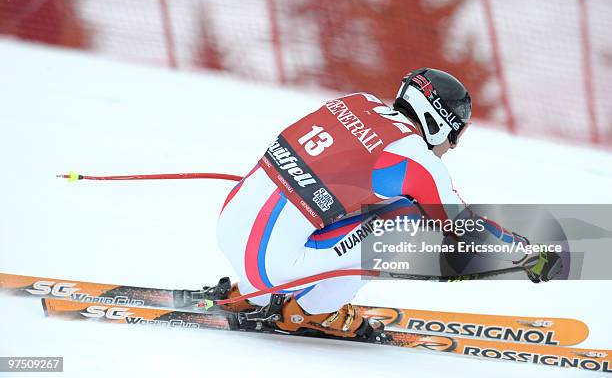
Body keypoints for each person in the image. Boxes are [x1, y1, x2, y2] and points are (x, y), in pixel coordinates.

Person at [212, 67, 561, 339]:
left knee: (362, 200)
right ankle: (313, 310)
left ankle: (253, 294)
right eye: (456, 133)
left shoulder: (357, 100)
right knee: (405, 217)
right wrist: (526, 253)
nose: (453, 145)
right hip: (273, 265)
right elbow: (463, 226)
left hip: (229, 223)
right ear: (438, 122)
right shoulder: (416, 159)